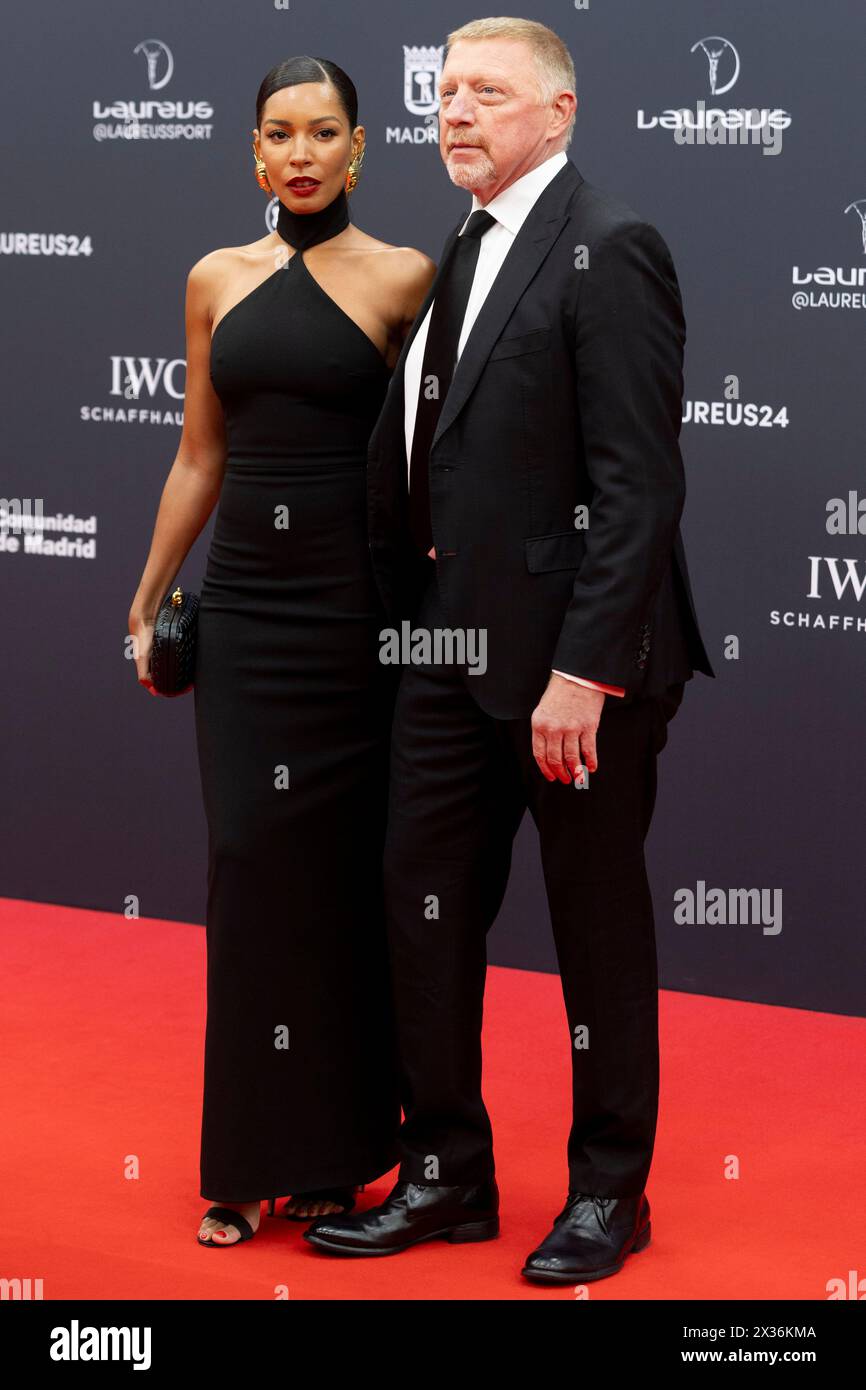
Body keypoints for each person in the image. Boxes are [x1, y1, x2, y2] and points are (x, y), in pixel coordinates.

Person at [303, 17, 714, 1282]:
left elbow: (635, 488)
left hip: (572, 675)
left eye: (487, 92)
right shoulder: (466, 245)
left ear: (560, 109)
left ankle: (607, 1194)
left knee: (593, 933)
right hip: (446, 655)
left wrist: (581, 672)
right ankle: (445, 1173)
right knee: (420, 913)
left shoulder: (610, 245)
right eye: (444, 92)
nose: (454, 111)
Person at [127, 55, 435, 1247]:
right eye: (276, 134)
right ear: (253, 153)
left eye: (321, 133)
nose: (298, 154)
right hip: (248, 612)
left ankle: (342, 1153)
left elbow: (429, 461)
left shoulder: (406, 277)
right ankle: (245, 1156)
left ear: (359, 149)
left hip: (355, 622)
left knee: (345, 879)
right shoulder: (214, 278)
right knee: (248, 863)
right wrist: (151, 595)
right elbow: (200, 452)